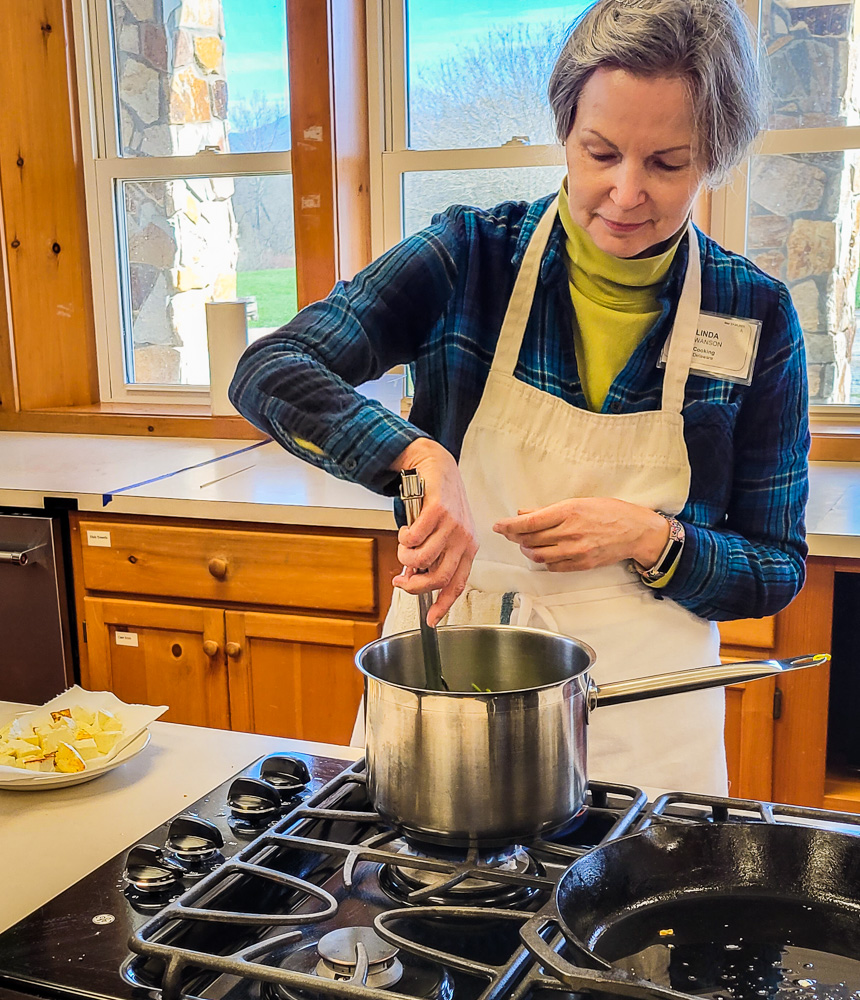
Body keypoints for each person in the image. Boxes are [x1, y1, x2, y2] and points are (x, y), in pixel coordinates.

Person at [229, 0, 809, 795]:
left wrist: (654, 539)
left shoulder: (753, 312)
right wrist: (415, 455)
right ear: (565, 131)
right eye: (600, 152)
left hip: (644, 725)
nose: (625, 193)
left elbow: (775, 567)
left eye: (667, 164)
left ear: (713, 155)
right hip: (450, 707)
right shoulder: (470, 258)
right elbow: (271, 368)